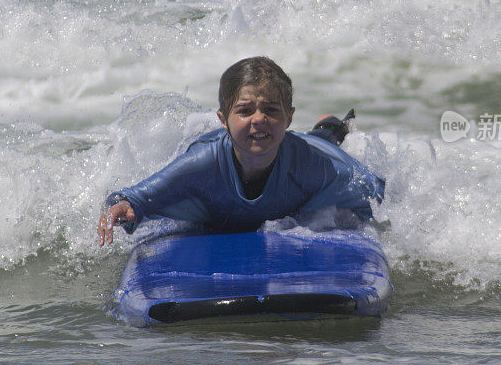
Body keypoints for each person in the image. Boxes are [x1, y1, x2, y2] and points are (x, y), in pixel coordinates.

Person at [97, 56, 385, 246]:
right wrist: (122, 207)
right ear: (223, 119)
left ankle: (329, 127)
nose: (259, 118)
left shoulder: (314, 165)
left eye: (271, 110)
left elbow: (373, 190)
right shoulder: (201, 164)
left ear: (289, 116)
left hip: (306, 147)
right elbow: (134, 197)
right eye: (245, 111)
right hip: (236, 156)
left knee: (322, 140)